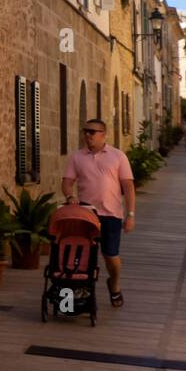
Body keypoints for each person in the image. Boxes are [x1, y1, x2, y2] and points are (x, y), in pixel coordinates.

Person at [61, 118, 136, 308]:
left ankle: (114, 283)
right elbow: (67, 182)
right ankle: (82, 288)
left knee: (110, 255)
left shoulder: (118, 156)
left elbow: (128, 186)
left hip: (112, 214)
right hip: (86, 214)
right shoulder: (77, 157)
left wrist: (131, 215)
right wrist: (70, 197)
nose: (87, 135)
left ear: (103, 135)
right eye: (85, 131)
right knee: (84, 252)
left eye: (92, 132)